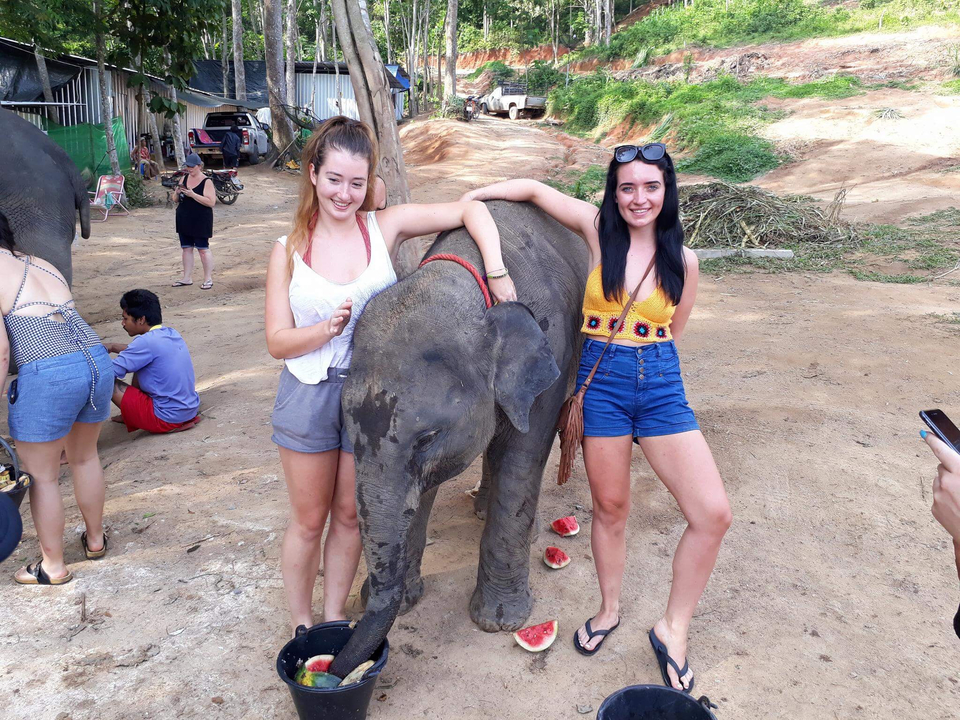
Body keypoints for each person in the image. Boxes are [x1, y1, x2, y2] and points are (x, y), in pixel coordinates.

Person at [460, 143, 731, 692]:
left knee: (713, 514)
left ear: (666, 191)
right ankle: (609, 610)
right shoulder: (594, 229)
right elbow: (535, 192)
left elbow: (673, 335)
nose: (639, 198)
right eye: (627, 187)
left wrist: (647, 369)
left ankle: (672, 629)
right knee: (610, 508)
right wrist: (476, 197)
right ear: (614, 192)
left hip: (659, 385)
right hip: (599, 386)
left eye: (651, 187)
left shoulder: (686, 262)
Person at [265, 116, 516, 633]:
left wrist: (495, 269)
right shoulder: (288, 250)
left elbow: (472, 210)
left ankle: (335, 617)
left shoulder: (385, 226)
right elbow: (276, 342)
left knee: (355, 514)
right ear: (313, 174)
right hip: (310, 393)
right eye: (335, 179)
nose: (345, 193)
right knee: (310, 521)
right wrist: (324, 332)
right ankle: (300, 623)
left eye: (357, 183)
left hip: (377, 400)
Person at [0, 209, 112, 586]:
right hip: (96, 362)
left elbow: (1, 351)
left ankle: (52, 566)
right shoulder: (42, 263)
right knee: (84, 457)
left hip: (49, 371)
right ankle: (95, 541)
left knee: (41, 477)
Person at [104, 289, 201, 434]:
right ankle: (130, 413)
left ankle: (131, 415)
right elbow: (140, 352)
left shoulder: (145, 343)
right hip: (189, 410)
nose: (122, 323)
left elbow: (107, 372)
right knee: (141, 364)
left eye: (125, 318)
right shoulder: (170, 333)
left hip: (165, 418)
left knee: (102, 379)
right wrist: (113, 346)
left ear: (141, 320)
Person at [173, 152, 216, 290]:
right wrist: (177, 192)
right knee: (186, 248)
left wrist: (193, 195)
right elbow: (174, 199)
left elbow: (211, 202)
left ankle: (208, 279)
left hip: (201, 219)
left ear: (199, 166)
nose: (189, 169)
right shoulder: (184, 178)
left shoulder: (206, 181)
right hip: (184, 217)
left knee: (203, 249)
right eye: (188, 167)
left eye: (192, 167)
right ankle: (186, 278)